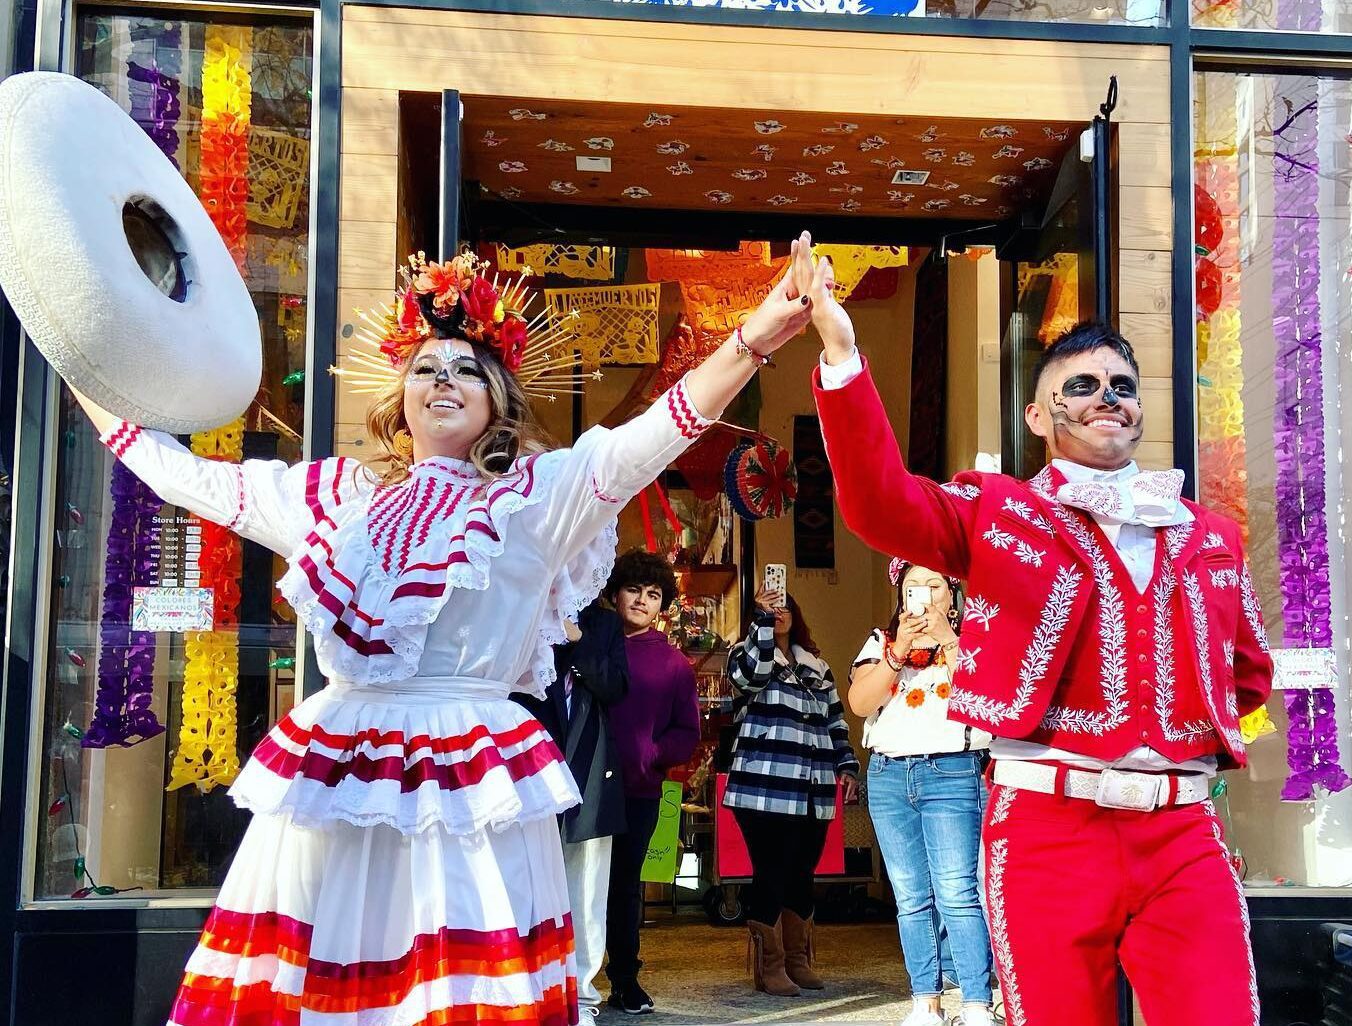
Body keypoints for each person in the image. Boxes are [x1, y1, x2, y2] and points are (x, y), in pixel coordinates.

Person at [72, 239, 818, 1026]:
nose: (443, 381)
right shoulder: (334, 496)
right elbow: (184, 476)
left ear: (499, 397)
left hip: (470, 774)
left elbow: (657, 434)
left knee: (459, 990)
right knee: (314, 981)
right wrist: (72, 350)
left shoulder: (538, 497)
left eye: (466, 369)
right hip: (338, 767)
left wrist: (755, 336)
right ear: (399, 394)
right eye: (426, 368)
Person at [801, 231, 1272, 1026]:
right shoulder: (999, 511)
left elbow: (1248, 673)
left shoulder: (1208, 533)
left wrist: (1211, 742)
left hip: (1183, 829)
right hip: (1050, 828)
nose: (1106, 395)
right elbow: (880, 504)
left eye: (1122, 383)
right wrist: (843, 357)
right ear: (1037, 412)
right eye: (1081, 383)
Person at [848, 560, 994, 1026]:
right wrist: (898, 652)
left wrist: (948, 641)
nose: (925, 594)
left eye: (935, 584)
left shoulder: (976, 638)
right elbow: (859, 703)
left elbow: (988, 694)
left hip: (952, 769)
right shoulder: (882, 641)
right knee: (910, 895)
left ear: (953, 593)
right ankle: (925, 1003)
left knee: (957, 891)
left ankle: (975, 1003)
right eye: (914, 585)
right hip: (890, 774)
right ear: (900, 593)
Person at [724, 588, 859, 997]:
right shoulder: (745, 654)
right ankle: (771, 965)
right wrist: (761, 625)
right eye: (769, 607)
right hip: (763, 786)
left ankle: (797, 960)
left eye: (784, 606)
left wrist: (847, 765)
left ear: (796, 614)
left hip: (813, 786)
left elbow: (835, 720)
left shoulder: (816, 666)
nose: (778, 612)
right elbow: (750, 676)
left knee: (802, 871)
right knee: (772, 869)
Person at [514, 599, 629, 1021]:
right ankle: (529, 979)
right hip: (528, 762)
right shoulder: (524, 601)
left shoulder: (603, 622)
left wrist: (578, 642)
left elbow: (616, 686)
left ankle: (581, 987)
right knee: (526, 876)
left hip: (590, 763)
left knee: (587, 882)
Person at [602, 549, 702, 1014]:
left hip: (638, 791)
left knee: (624, 886)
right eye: (633, 589)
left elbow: (688, 733)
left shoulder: (675, 664)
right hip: (579, 786)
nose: (642, 599)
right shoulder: (592, 643)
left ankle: (625, 979)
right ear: (614, 592)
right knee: (570, 882)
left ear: (663, 605)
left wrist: (652, 754)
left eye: (653, 593)